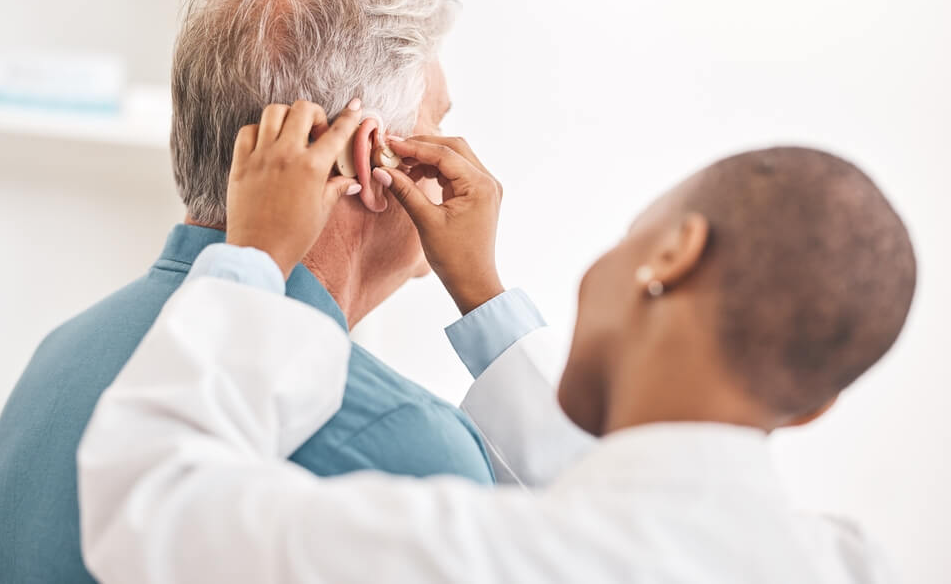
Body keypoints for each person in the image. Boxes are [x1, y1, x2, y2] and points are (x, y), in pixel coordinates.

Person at [78, 103, 915, 583]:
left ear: (671, 254)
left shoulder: (465, 549)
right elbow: (637, 494)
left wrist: (255, 257)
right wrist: (479, 290)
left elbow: (150, 503)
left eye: (629, 234)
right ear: (815, 406)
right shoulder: (856, 565)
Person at [0, 0, 587, 584]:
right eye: (440, 121)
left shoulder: (62, 354)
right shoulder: (401, 441)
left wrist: (485, 297)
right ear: (372, 159)